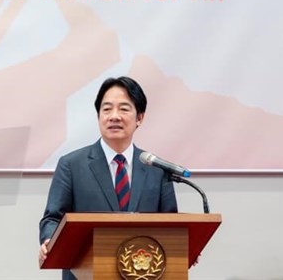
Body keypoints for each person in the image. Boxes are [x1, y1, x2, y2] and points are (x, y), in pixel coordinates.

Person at [38, 76, 178, 278]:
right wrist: (49, 240)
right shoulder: (71, 165)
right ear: (98, 116)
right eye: (107, 109)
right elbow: (52, 218)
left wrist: (186, 244)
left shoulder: (156, 169)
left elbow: (171, 226)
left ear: (140, 117)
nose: (114, 116)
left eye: (123, 109)